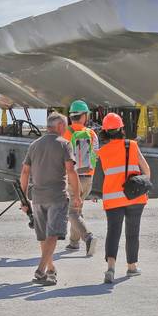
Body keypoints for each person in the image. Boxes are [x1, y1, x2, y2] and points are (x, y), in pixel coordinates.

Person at [20, 112, 82, 286]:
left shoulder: (34, 145)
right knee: (53, 234)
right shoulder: (64, 144)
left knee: (43, 236)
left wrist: (24, 199)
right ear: (60, 126)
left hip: (37, 198)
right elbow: (71, 171)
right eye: (65, 125)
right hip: (57, 196)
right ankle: (41, 270)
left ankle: (51, 269)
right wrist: (77, 195)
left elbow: (25, 172)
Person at [97, 112, 151, 284]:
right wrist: (144, 185)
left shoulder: (102, 151)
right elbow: (146, 169)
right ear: (121, 128)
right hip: (134, 197)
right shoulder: (132, 145)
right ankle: (132, 267)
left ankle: (110, 268)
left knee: (113, 232)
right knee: (132, 232)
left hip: (112, 198)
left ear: (105, 131)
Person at [62, 99, 98, 255]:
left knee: (72, 212)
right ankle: (74, 243)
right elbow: (95, 154)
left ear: (71, 116)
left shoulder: (65, 133)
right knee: (77, 209)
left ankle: (88, 237)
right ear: (84, 116)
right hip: (88, 177)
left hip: (72, 177)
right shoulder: (92, 134)